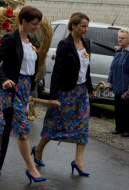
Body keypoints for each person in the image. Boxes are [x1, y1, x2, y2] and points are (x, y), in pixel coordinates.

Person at [0, 6, 46, 183]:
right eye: (34, 24)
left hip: (25, 87)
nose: (37, 27)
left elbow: (31, 67)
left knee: (5, 121)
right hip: (11, 86)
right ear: (24, 21)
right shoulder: (10, 39)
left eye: (38, 24)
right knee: (22, 126)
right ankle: (31, 168)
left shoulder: (32, 41)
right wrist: (3, 79)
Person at [32, 12, 95, 177]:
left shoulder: (87, 43)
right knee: (55, 123)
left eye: (87, 26)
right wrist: (53, 96)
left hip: (81, 93)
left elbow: (86, 69)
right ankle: (38, 149)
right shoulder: (64, 45)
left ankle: (78, 161)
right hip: (66, 92)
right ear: (73, 26)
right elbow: (57, 72)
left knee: (83, 125)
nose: (86, 30)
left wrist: (90, 88)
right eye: (83, 26)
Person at [106, 28, 129, 137]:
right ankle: (118, 128)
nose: (120, 40)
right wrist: (109, 83)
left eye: (123, 38)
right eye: (119, 37)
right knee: (118, 107)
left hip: (127, 87)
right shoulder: (118, 51)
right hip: (117, 85)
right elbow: (112, 68)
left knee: (126, 109)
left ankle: (127, 130)